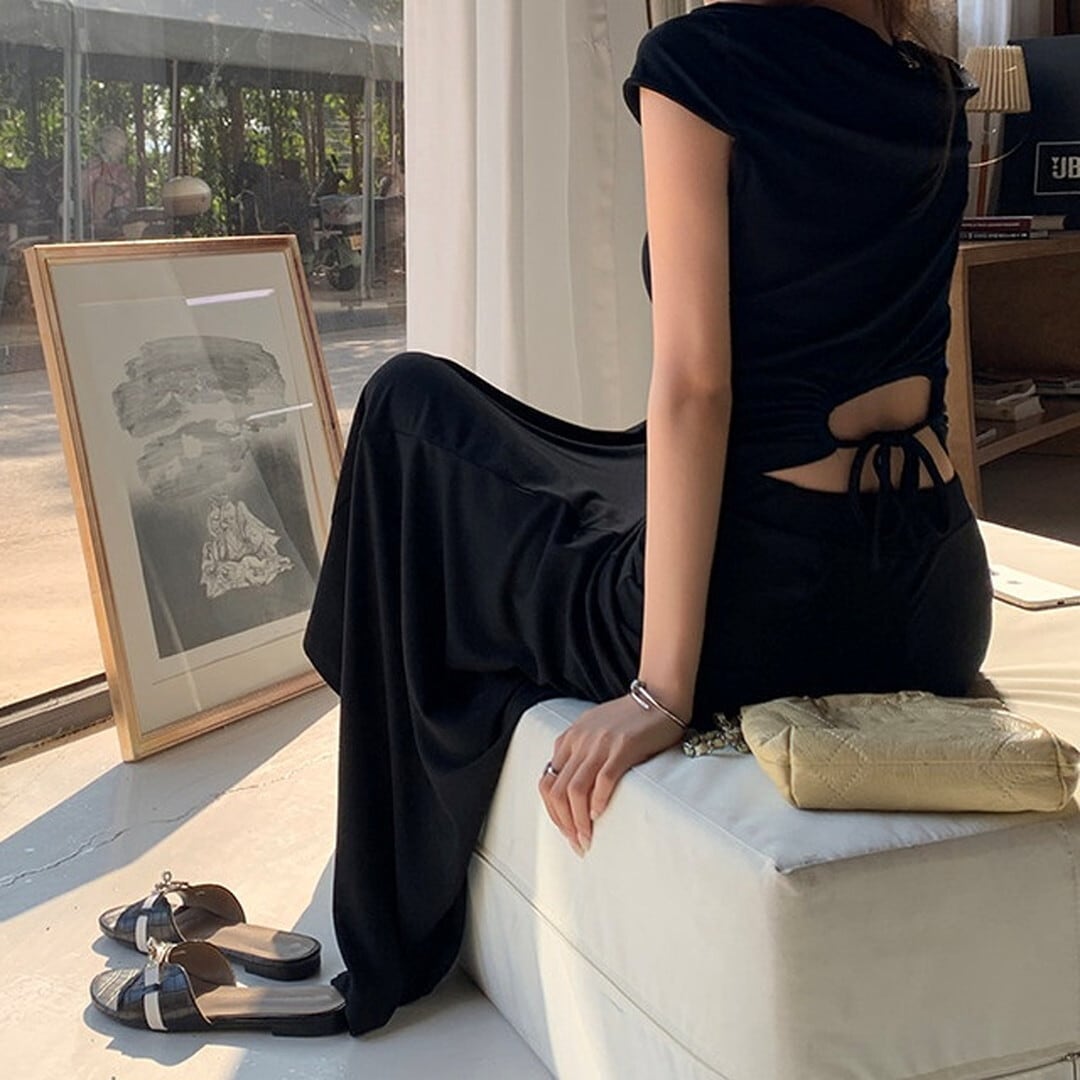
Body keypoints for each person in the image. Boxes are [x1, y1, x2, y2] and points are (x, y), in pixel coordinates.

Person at [303, 0, 993, 1037]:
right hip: (936, 596)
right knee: (615, 462)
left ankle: (383, 898)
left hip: (773, 615)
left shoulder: (701, 60)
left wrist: (659, 692)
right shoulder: (930, 83)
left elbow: (697, 388)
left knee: (407, 406)